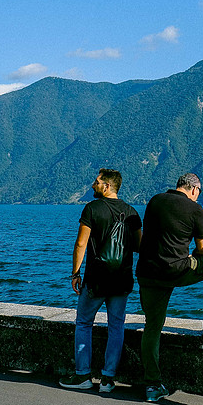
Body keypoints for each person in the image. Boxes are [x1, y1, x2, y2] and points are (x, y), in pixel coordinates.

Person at [136, 172, 203, 402]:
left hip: (148, 272)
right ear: (193, 189)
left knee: (152, 327)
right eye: (197, 194)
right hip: (176, 269)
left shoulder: (155, 201)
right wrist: (194, 254)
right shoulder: (194, 209)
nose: (197, 198)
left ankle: (152, 385)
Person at [60, 168, 142, 392]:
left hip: (96, 280)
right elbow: (138, 246)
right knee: (116, 325)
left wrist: (75, 273)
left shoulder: (92, 209)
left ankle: (83, 375)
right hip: (121, 280)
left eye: (96, 182)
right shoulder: (132, 212)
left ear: (107, 186)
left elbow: (80, 243)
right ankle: (108, 379)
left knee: (84, 322)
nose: (92, 185)